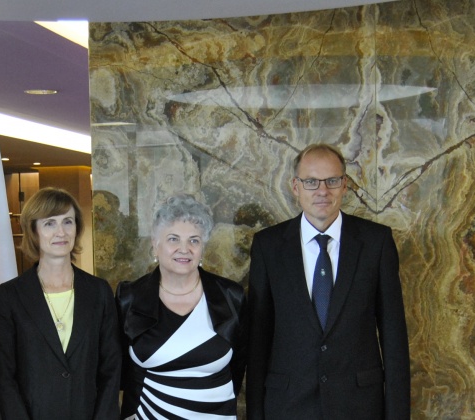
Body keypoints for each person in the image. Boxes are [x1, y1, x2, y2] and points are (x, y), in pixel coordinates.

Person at [246, 144, 410, 419]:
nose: (322, 191)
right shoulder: (268, 246)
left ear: (345, 185)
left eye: (332, 180)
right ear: (295, 186)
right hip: (288, 406)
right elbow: (257, 340)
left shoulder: (376, 242)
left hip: (358, 407)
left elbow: (394, 339)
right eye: (311, 182)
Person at [0, 187, 121, 419]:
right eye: (50, 223)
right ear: (33, 231)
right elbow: (4, 376)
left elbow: (110, 368)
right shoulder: (10, 296)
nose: (61, 232)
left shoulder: (99, 291)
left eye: (67, 222)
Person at [117, 193, 247, 419]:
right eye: (173, 239)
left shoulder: (231, 296)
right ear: (155, 245)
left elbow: (239, 365)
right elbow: (120, 371)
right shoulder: (129, 297)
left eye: (194, 240)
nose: (184, 249)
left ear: (203, 247)